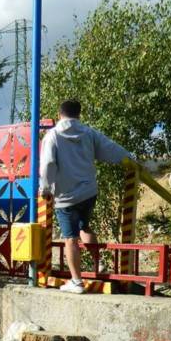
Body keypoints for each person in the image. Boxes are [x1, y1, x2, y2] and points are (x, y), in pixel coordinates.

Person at [40, 99, 132, 294]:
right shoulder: (89, 133)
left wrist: (45, 188)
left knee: (70, 239)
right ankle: (99, 264)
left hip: (66, 196)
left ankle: (76, 282)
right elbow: (110, 148)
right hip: (89, 192)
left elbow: (48, 164)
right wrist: (130, 158)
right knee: (84, 226)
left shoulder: (53, 135)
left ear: (59, 114)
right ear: (79, 114)